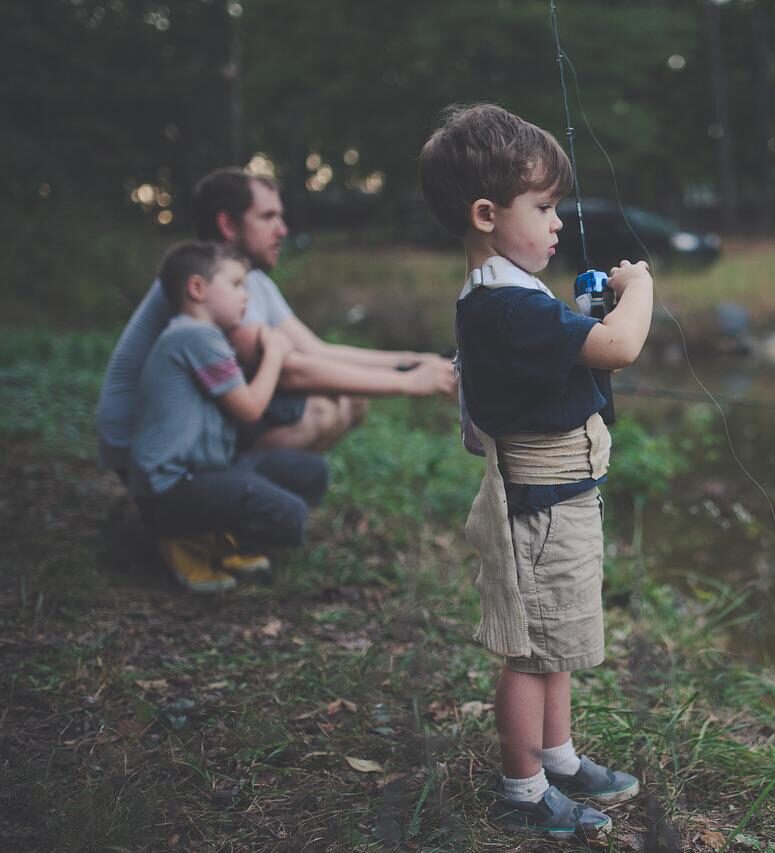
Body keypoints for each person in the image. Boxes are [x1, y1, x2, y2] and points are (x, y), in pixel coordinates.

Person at [419, 104, 653, 839]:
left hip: (563, 499)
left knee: (556, 642)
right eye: (544, 206)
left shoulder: (510, 296)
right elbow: (616, 348)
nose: (557, 222)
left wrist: (583, 310)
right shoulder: (504, 305)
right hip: (542, 509)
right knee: (530, 653)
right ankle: (522, 789)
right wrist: (637, 289)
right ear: (486, 213)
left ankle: (556, 754)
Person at [97, 166, 456, 473]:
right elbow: (291, 369)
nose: (282, 229)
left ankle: (247, 505)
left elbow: (316, 350)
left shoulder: (249, 280)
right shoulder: (210, 290)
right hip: (142, 450)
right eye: (268, 217)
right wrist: (410, 384)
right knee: (321, 409)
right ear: (227, 224)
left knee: (351, 399)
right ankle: (218, 515)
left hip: (190, 429)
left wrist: (414, 361)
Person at [129, 241, 329, 593]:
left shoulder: (202, 336)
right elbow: (251, 408)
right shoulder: (195, 336)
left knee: (312, 472)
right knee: (289, 515)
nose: (246, 297)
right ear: (197, 288)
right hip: (171, 489)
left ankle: (214, 536)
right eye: (236, 285)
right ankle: (184, 540)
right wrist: (276, 352)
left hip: (207, 472)